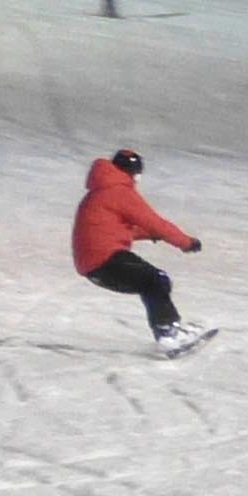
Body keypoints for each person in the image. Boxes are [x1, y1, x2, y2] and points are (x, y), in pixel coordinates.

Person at [72, 148, 205, 353]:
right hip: (106, 259)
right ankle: (168, 334)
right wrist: (186, 243)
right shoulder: (119, 191)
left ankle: (168, 330)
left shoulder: (99, 191)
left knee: (150, 283)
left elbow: (114, 229)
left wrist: (149, 234)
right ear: (133, 173)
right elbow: (154, 222)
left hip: (91, 263)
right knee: (156, 281)